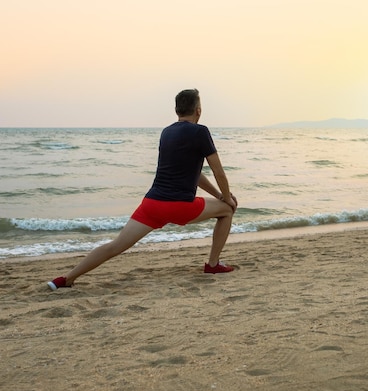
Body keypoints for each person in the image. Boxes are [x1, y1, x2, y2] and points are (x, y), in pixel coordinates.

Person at [48, 89, 237, 290]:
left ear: (176, 110)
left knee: (116, 245)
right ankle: (213, 265)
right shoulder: (200, 131)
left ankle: (66, 278)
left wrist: (218, 195)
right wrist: (227, 199)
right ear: (198, 111)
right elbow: (218, 171)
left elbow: (195, 174)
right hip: (180, 206)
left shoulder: (167, 132)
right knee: (226, 211)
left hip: (152, 204)